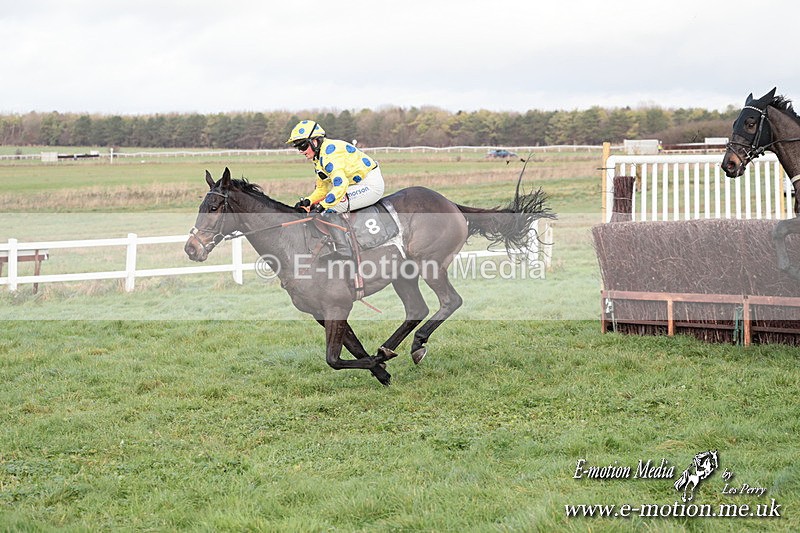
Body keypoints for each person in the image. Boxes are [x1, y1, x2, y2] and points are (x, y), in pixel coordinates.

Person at [286, 120, 385, 258]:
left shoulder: (330, 155)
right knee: (321, 206)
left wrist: (322, 206)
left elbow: (340, 185)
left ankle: (344, 250)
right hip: (355, 184)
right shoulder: (318, 157)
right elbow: (322, 188)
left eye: (303, 145)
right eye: (298, 147)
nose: (301, 151)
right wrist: (308, 201)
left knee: (329, 209)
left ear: (315, 141)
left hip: (370, 185)